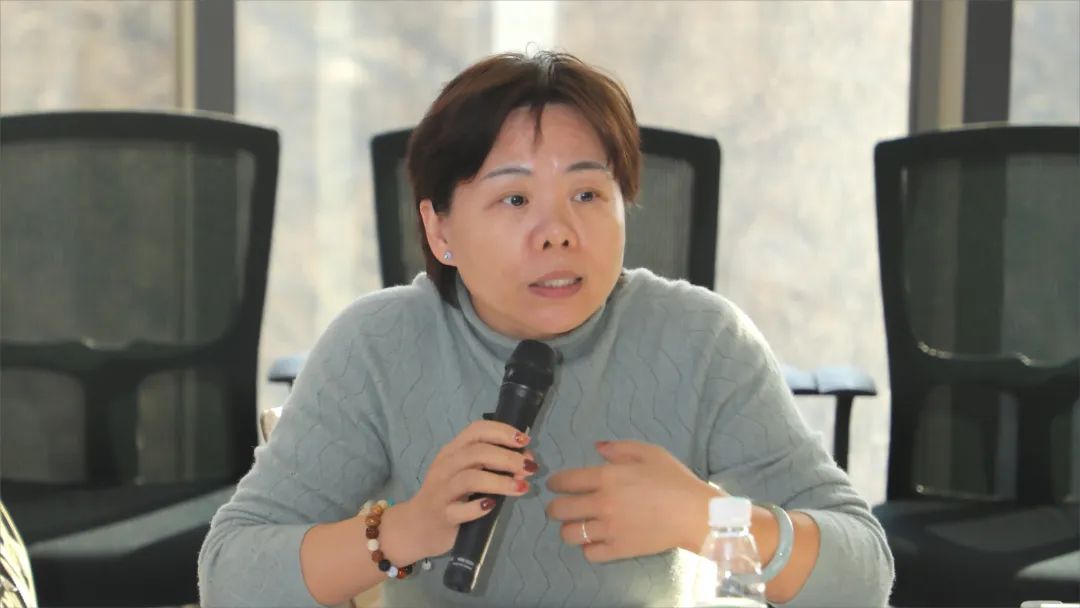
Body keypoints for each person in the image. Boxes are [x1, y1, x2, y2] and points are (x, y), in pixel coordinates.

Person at [198, 50, 894, 608]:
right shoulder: (378, 345)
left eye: (588, 193)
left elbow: (864, 573)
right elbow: (229, 574)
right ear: (440, 229)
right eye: (514, 198)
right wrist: (405, 530)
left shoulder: (703, 340)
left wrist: (709, 520)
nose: (558, 232)